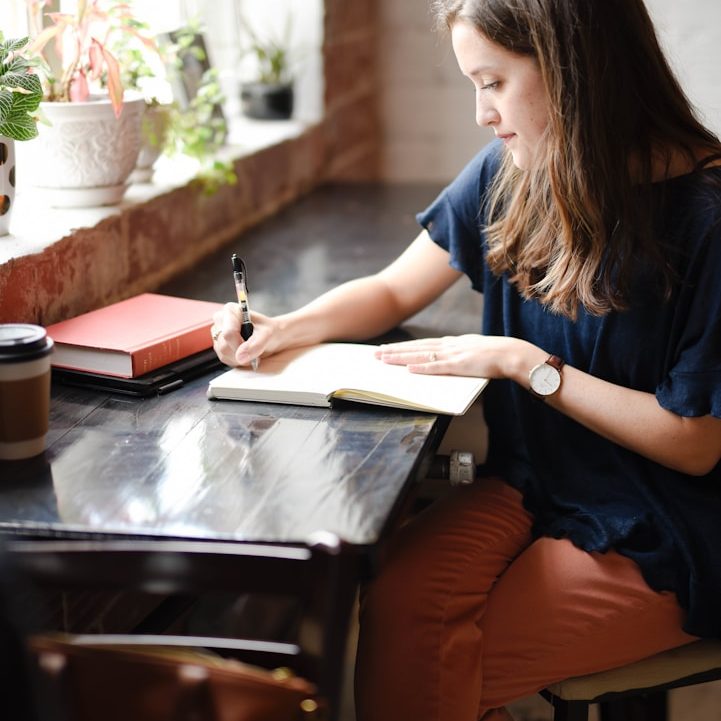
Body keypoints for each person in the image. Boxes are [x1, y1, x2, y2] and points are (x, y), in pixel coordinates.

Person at [212, 0, 721, 718]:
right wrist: (283, 327)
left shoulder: (707, 217)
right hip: (532, 483)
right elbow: (394, 286)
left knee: (425, 668)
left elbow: (695, 444)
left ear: (574, 72)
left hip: (668, 523)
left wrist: (525, 362)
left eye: (492, 82)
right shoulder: (513, 170)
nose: (481, 112)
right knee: (395, 606)